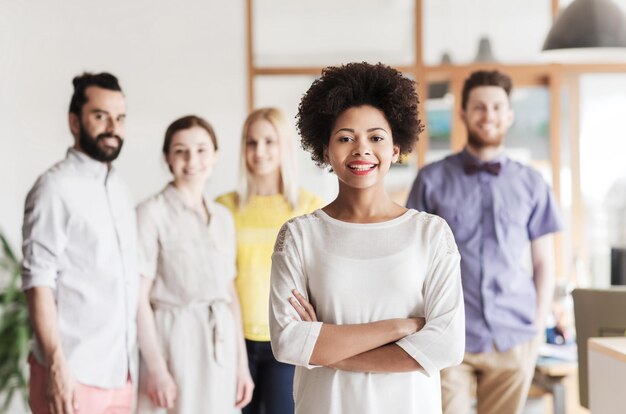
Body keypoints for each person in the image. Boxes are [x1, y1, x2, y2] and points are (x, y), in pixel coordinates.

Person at [268, 62, 465, 414]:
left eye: (376, 137)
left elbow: (446, 346)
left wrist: (329, 350)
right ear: (325, 151)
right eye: (345, 137)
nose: (361, 149)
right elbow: (288, 342)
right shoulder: (299, 235)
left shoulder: (430, 234)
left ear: (395, 149)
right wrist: (401, 327)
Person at [406, 69, 562, 414]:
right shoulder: (431, 180)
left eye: (496, 107)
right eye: (479, 107)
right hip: (448, 330)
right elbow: (412, 259)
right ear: (462, 113)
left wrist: (537, 328)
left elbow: (543, 263)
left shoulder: (533, 183)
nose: (488, 115)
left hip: (514, 334)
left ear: (509, 114)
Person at [21, 72, 137, 414]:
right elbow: (37, 281)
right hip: (72, 374)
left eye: (120, 118)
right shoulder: (53, 189)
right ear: (75, 122)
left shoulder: (120, 189)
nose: (112, 127)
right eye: (100, 116)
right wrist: (57, 365)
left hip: (120, 374)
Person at [136, 115, 254, 413]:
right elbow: (138, 298)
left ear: (215, 154)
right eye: (181, 151)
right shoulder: (151, 213)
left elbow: (230, 294)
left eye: (202, 150)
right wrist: (156, 369)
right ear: (167, 158)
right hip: (173, 342)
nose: (192, 160)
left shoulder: (223, 217)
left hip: (220, 345)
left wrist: (242, 365)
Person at [216, 107, 322, 414]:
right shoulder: (224, 208)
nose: (259, 151)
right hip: (236, 341)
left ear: (283, 147)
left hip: (287, 339)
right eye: (251, 142)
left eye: (268, 142)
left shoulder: (309, 207)